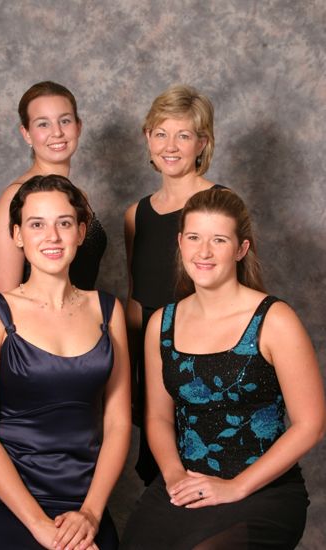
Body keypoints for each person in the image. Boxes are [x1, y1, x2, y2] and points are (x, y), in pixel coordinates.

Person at [120, 187, 326, 549]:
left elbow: (311, 424)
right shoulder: (162, 324)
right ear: (181, 242)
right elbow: (158, 419)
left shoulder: (274, 320)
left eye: (218, 240)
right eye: (195, 238)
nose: (204, 252)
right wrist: (173, 478)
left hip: (263, 490)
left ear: (241, 249)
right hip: (187, 481)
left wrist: (235, 487)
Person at [0, 175, 131, 550]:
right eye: (37, 224)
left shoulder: (108, 310)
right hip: (3, 500)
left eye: (64, 223)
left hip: (83, 504)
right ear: (18, 235)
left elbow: (118, 424)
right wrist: (40, 527)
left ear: (81, 232)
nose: (51, 237)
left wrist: (90, 513)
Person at [125, 84, 223, 484]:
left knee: (207, 467)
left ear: (202, 143)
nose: (170, 145)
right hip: (151, 358)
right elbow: (137, 295)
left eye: (183, 135)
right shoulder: (136, 214)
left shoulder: (219, 204)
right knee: (161, 476)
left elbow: (239, 296)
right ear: (147, 138)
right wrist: (125, 371)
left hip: (203, 355)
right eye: (161, 133)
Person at [0, 81, 106, 292]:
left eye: (65, 121)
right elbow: (3, 299)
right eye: (43, 124)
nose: (57, 132)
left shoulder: (80, 195)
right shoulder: (15, 197)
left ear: (79, 126)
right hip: (35, 323)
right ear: (26, 133)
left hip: (85, 319)